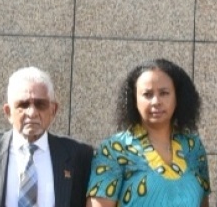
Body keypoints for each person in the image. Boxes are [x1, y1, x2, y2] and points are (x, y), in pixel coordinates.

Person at [0, 66, 93, 207]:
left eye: (40, 104)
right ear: (8, 112)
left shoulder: (79, 155)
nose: (32, 112)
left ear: (53, 110)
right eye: (23, 104)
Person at [86, 58, 210, 207]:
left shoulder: (193, 146)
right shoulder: (114, 149)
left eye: (164, 93)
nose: (156, 101)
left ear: (178, 98)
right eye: (147, 94)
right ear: (134, 100)